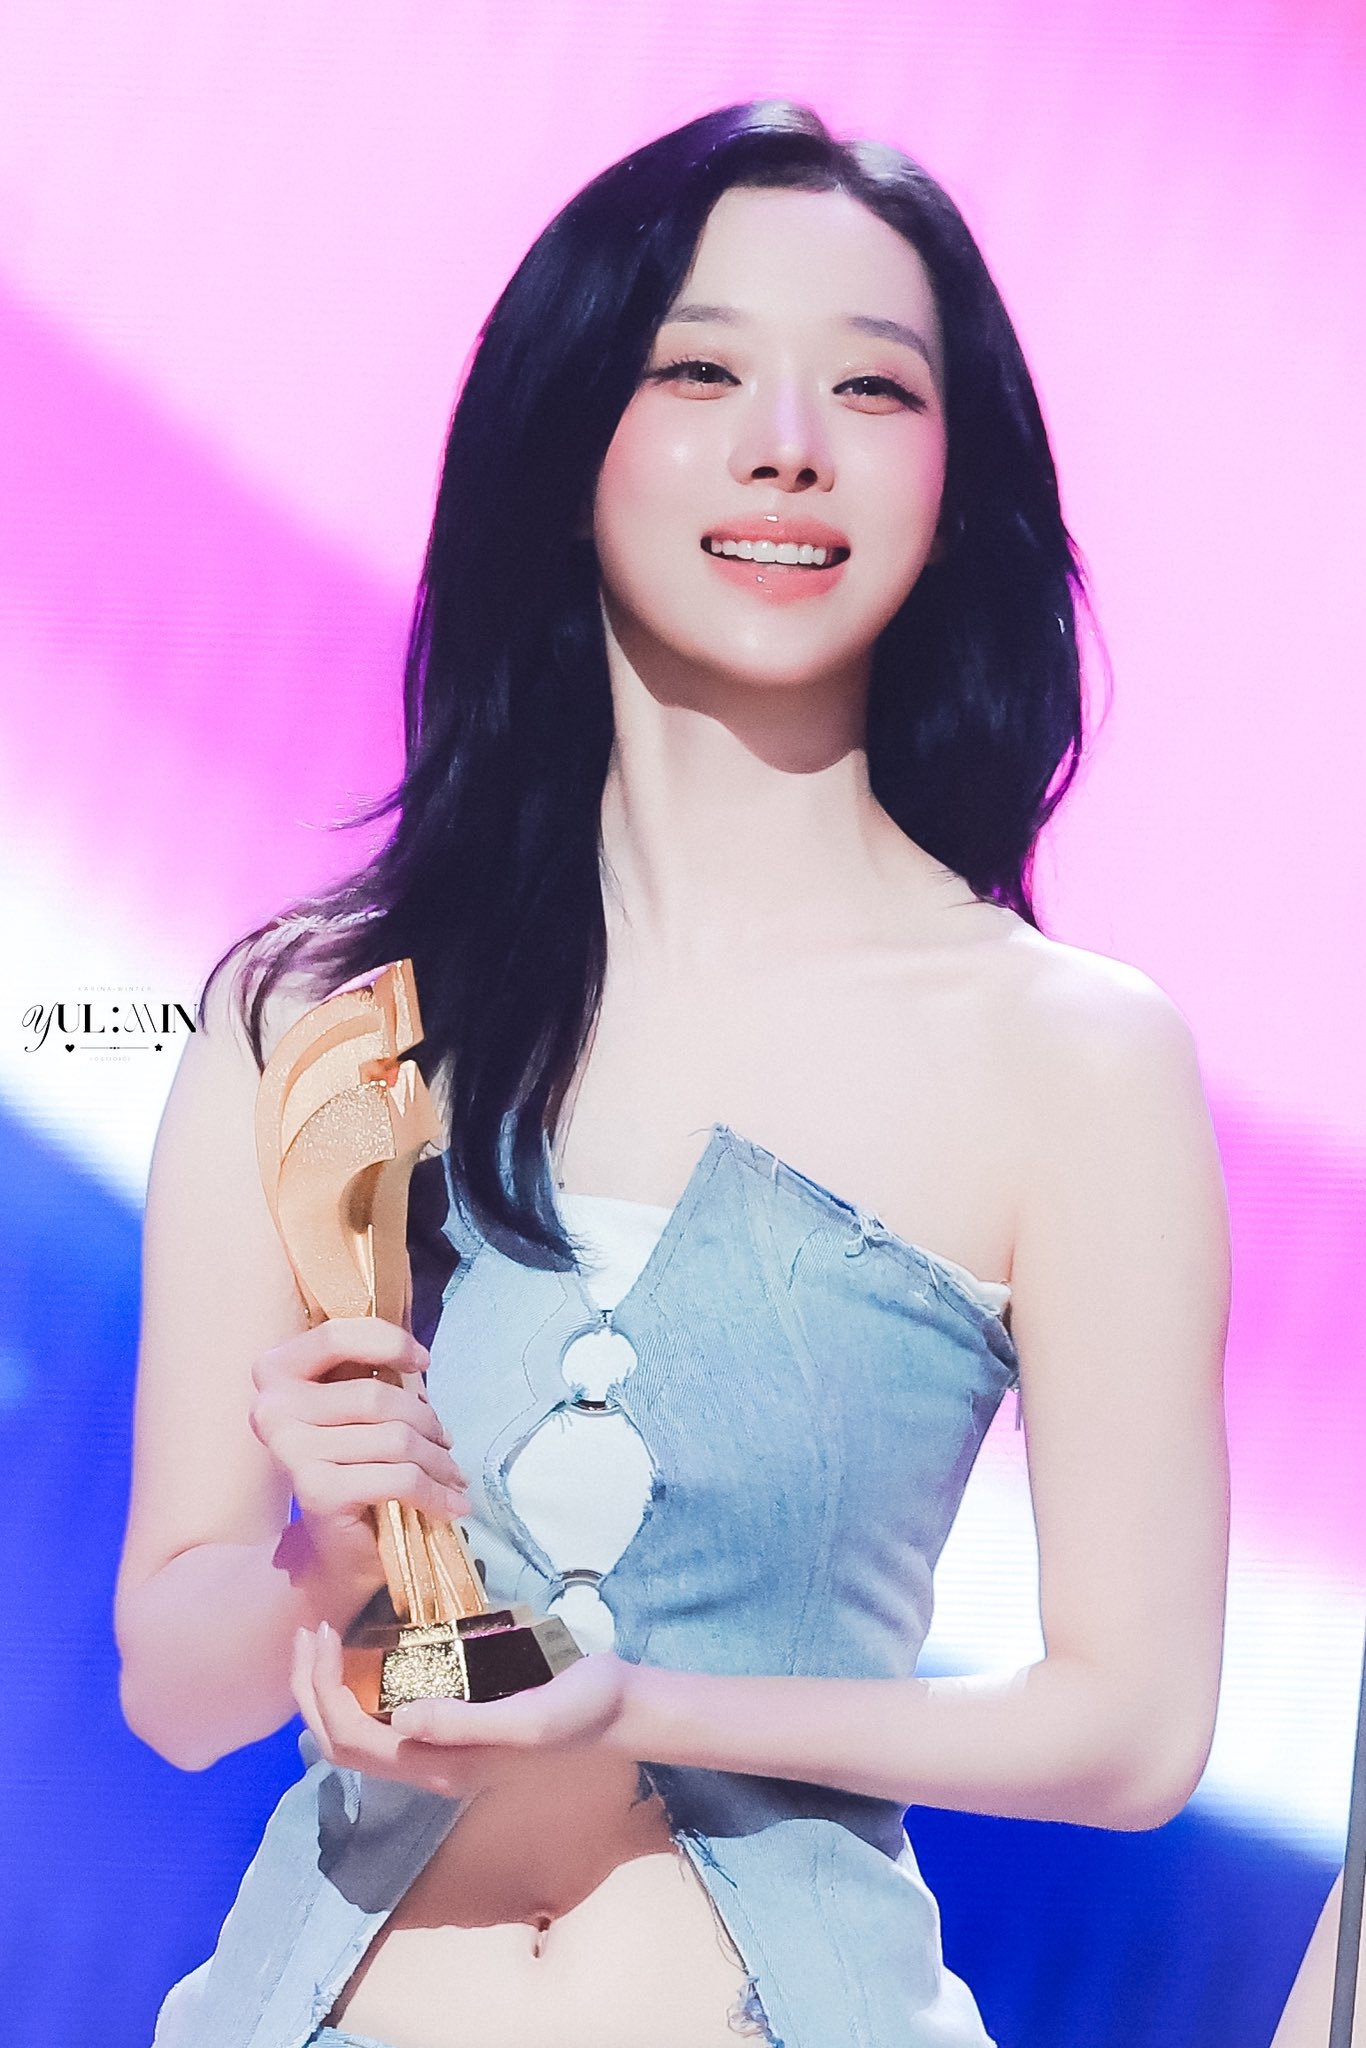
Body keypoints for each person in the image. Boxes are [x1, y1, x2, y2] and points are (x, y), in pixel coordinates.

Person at [116, 100, 1231, 2048]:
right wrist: (326, 1557)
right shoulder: (319, 1013)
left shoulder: (1071, 1056)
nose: (786, 442)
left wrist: (640, 1706)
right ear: (567, 445)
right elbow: (172, 1688)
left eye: (870, 388)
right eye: (697, 370)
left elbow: (1130, 1730)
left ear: (951, 479)